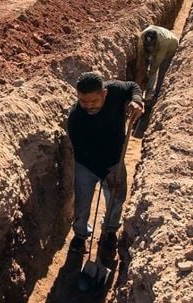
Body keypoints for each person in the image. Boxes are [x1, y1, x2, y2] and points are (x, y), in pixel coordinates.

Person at [66, 72, 143, 253]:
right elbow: (82, 153)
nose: (88, 106)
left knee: (116, 200)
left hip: (115, 159)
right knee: (82, 202)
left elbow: (133, 86)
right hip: (87, 164)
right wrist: (104, 174)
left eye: (93, 101)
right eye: (83, 101)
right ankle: (79, 235)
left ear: (105, 93)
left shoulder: (115, 90)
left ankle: (109, 232)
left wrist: (137, 100)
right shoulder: (76, 118)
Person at [142, 25, 179, 105]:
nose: (150, 48)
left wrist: (151, 71)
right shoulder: (143, 35)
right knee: (150, 66)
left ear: (155, 41)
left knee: (162, 70)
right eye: (148, 45)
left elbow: (157, 61)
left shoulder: (164, 41)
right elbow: (141, 52)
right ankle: (148, 91)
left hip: (170, 48)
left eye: (151, 46)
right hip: (158, 45)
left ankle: (156, 95)